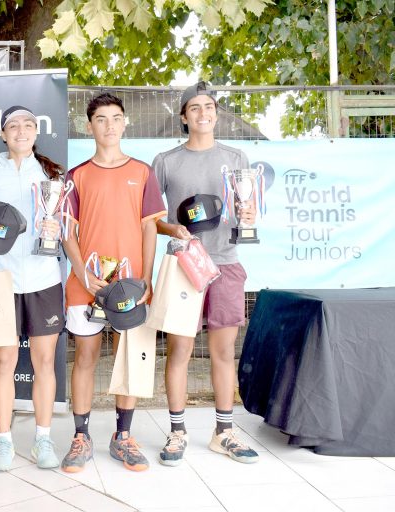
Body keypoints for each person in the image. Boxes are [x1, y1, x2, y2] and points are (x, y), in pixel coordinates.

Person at [152, 81, 260, 466]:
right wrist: (173, 229)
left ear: (216, 114)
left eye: (209, 107)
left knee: (223, 352)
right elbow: (150, 219)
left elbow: (247, 210)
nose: (203, 113)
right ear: (183, 117)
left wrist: (249, 214)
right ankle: (177, 432)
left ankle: (223, 432)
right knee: (179, 350)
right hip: (184, 264)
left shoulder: (236, 157)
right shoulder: (166, 161)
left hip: (225, 264)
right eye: (194, 108)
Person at [60, 93, 166, 473]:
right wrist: (81, 272)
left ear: (124, 123)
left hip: (130, 287)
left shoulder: (142, 172)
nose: (109, 125)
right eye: (101, 119)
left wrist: (146, 278)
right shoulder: (76, 176)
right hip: (85, 286)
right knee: (85, 358)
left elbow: (150, 228)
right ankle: (81, 436)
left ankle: (123, 436)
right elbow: (67, 233)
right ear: (89, 126)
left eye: (115, 118)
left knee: (128, 359)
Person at [0, 106, 65, 471]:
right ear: (3, 133)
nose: (21, 131)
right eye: (13, 126)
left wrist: (58, 230)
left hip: (44, 279)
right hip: (1, 280)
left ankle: (43, 439)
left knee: (44, 363)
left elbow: (67, 223)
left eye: (28, 125)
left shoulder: (52, 175)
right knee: (4, 362)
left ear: (36, 132)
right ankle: (4, 441)